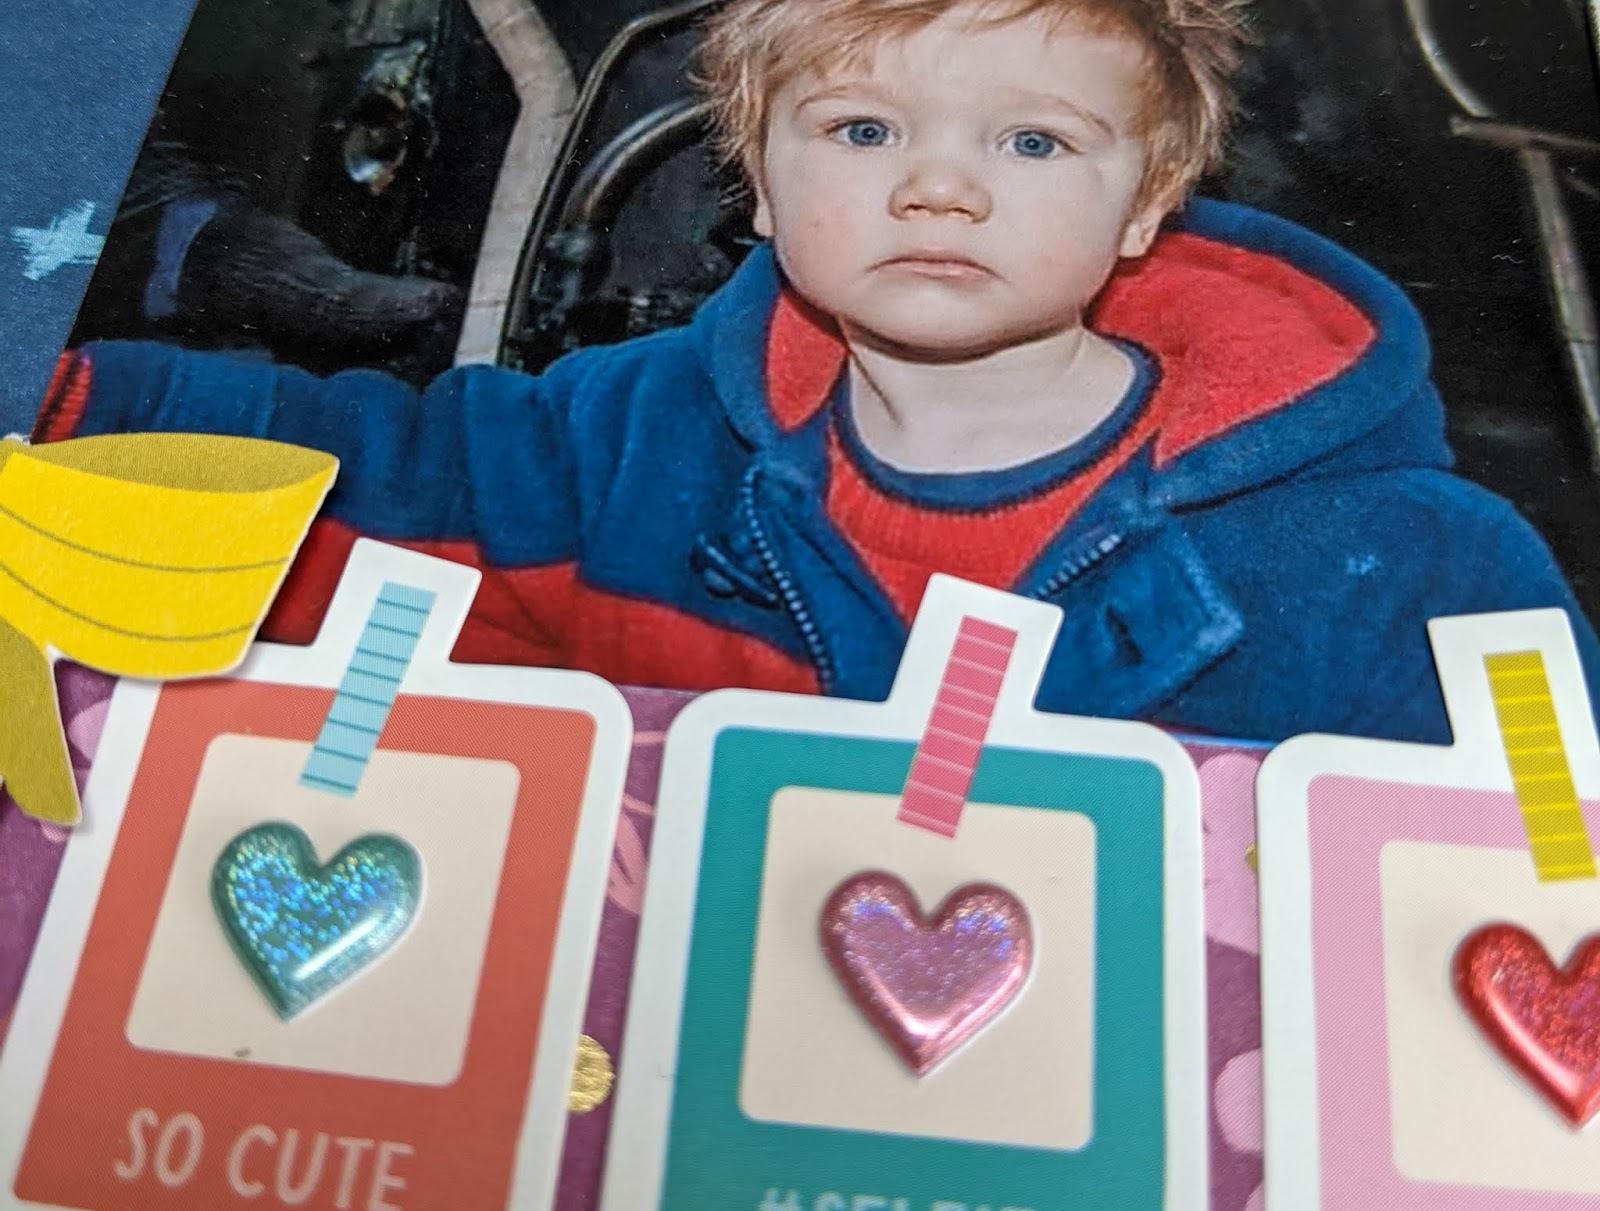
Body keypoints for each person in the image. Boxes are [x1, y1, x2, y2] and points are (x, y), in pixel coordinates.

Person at [38, 0, 1600, 743]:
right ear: (761, 183)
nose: (941, 187)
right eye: (863, 129)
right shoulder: (625, 446)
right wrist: (56, 415)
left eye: (1032, 141)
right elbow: (366, 478)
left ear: (1147, 202)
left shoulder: (1417, 570)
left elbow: (1543, 886)